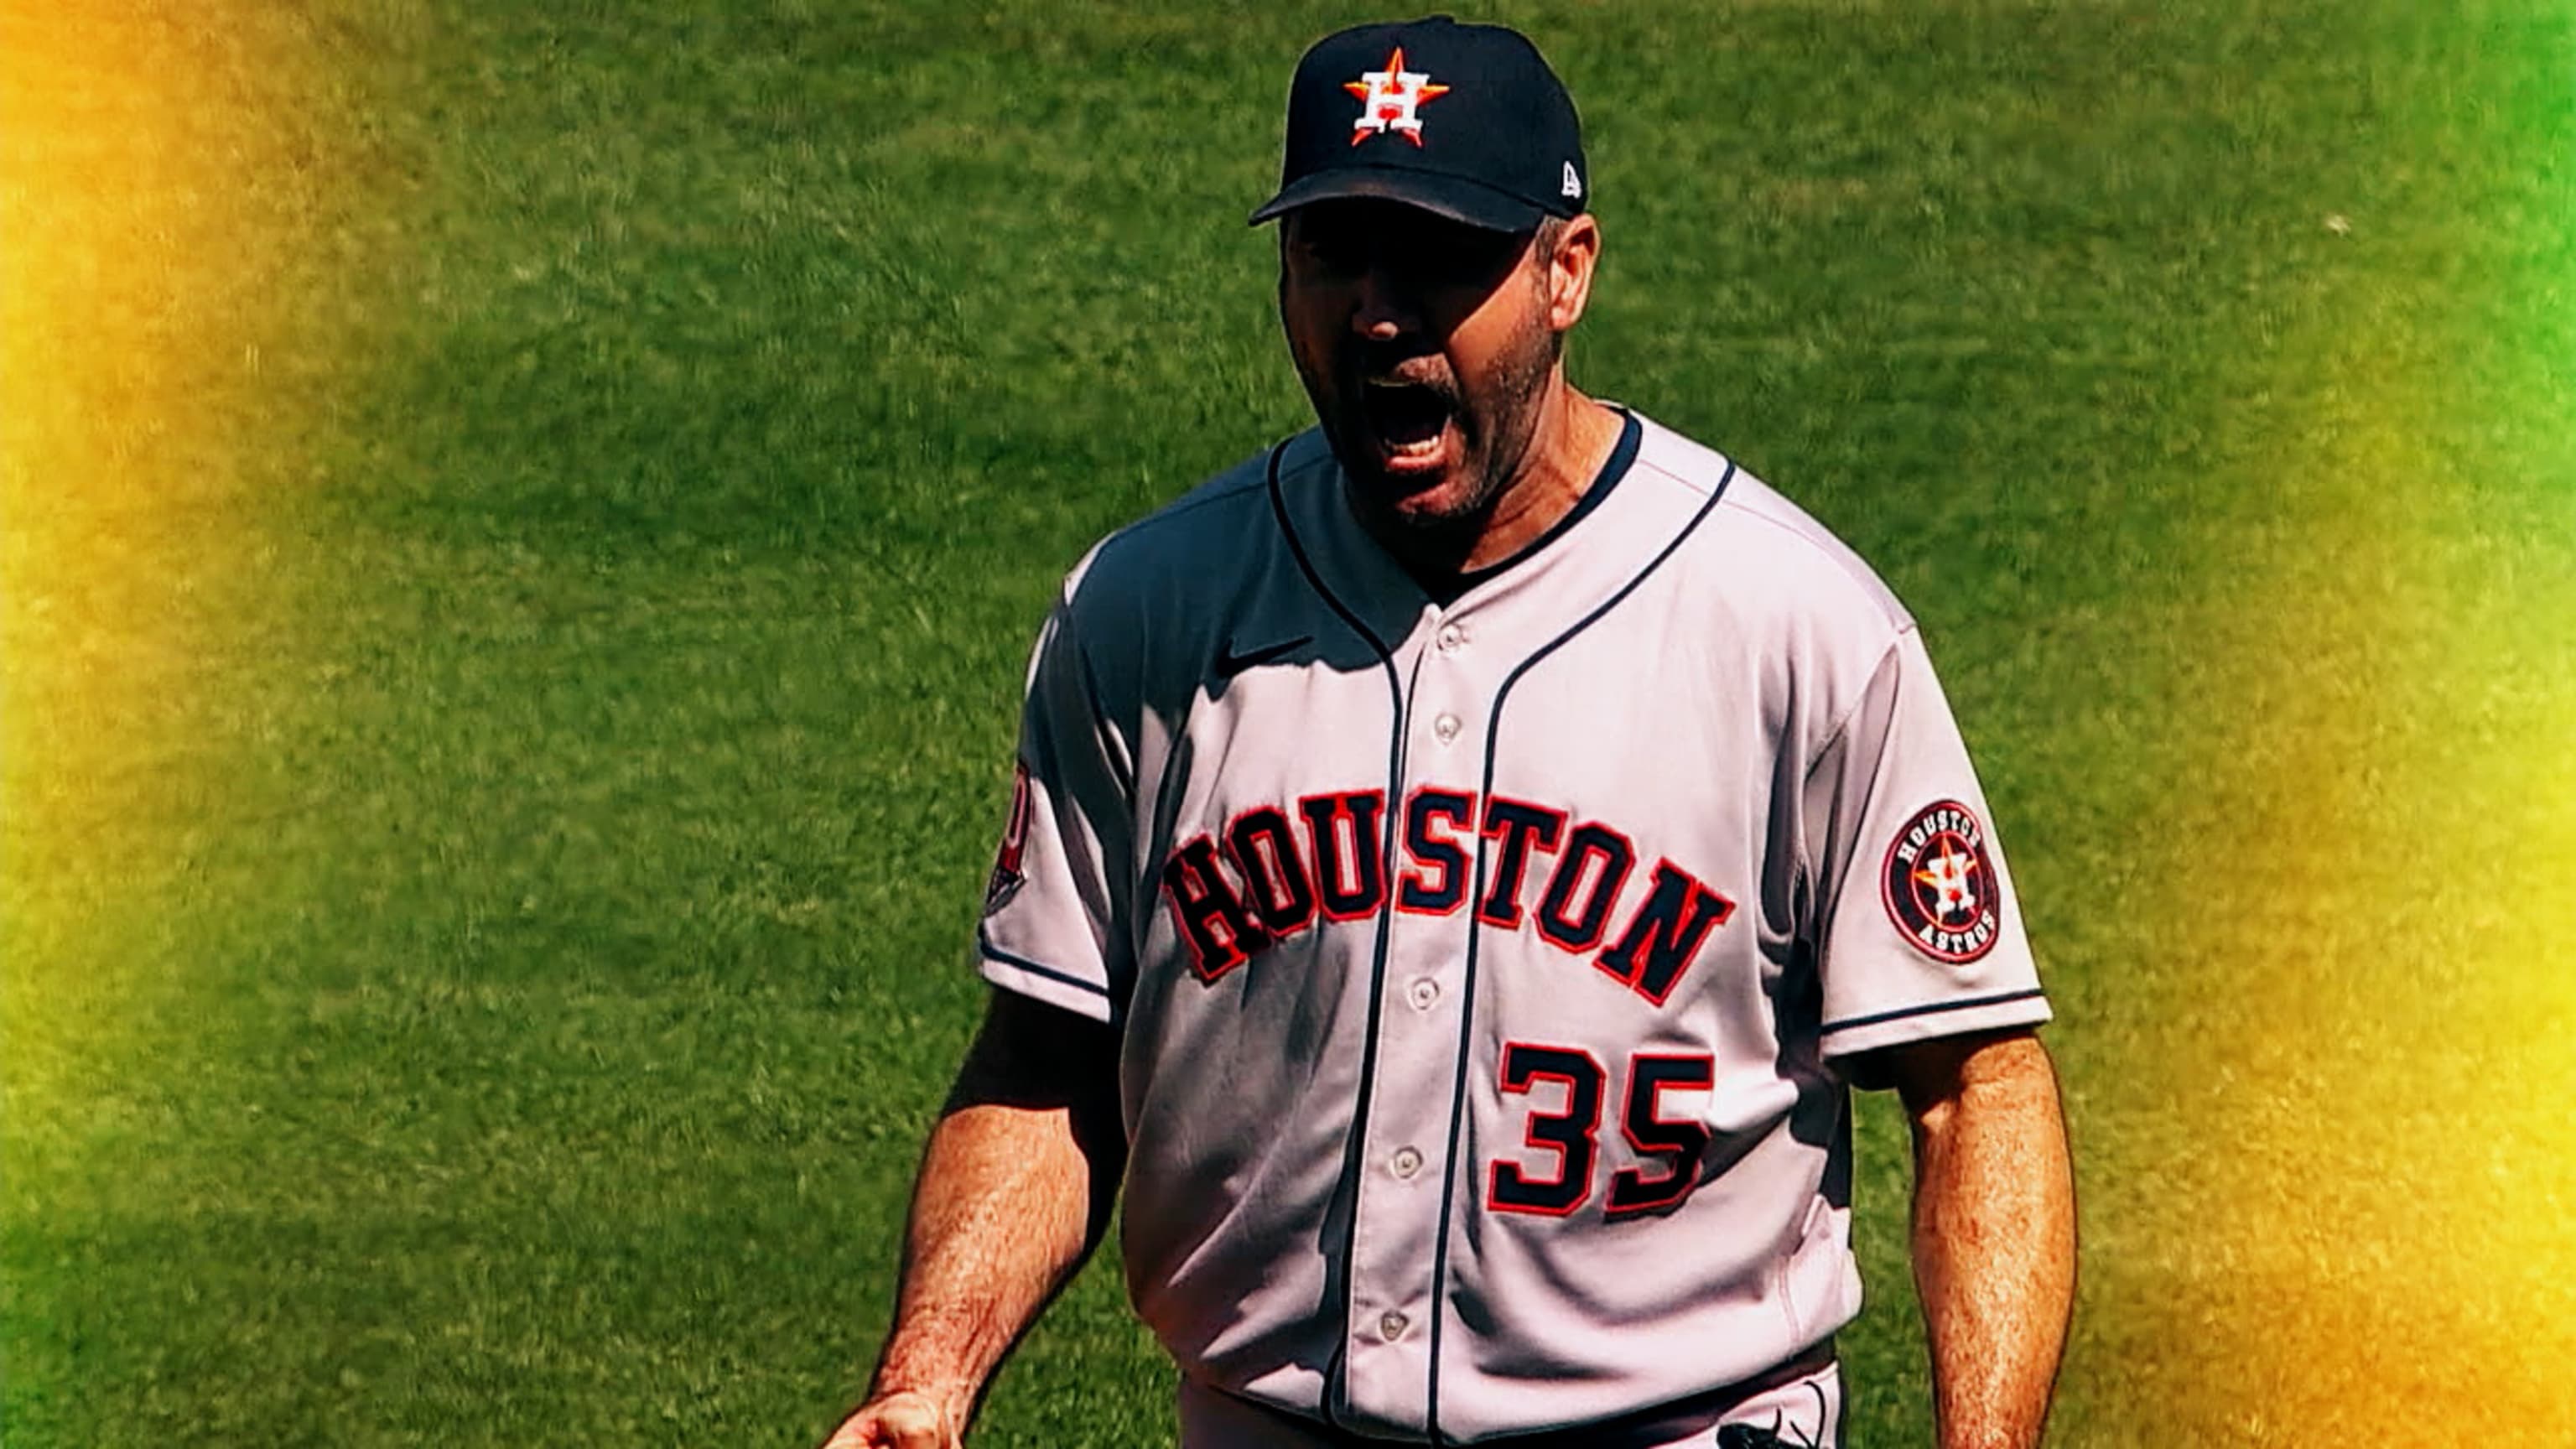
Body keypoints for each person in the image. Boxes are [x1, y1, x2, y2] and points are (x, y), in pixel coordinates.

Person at [822, 16, 2074, 1449]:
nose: (1379, 314)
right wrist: (930, 1373)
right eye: (1334, 255)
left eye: (1437, 258)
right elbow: (1045, 1063)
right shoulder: (1147, 614)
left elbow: (1976, 1089)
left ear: (1566, 272)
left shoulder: (1792, 629)